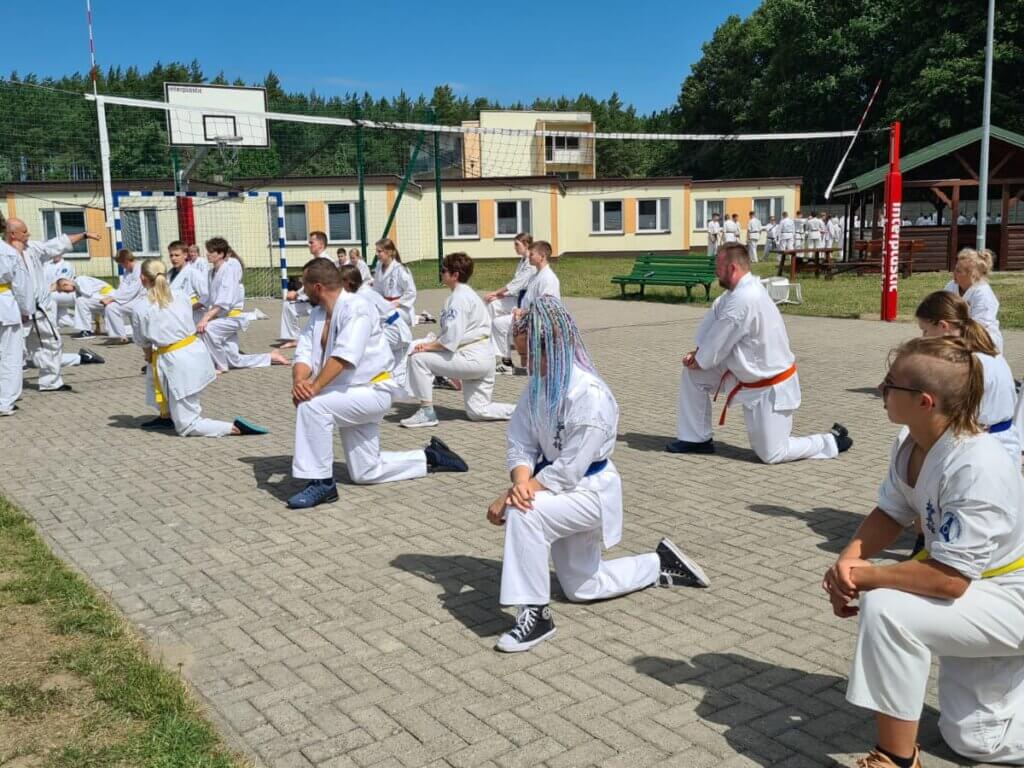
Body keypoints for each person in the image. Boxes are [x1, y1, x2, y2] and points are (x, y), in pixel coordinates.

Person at [825, 336, 1024, 768]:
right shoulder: (911, 441)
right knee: (971, 738)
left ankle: (895, 759)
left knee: (887, 608)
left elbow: (948, 581)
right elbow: (892, 511)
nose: (881, 390)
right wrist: (847, 559)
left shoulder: (977, 465)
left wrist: (862, 576)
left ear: (924, 401)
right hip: (978, 587)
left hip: (1010, 594)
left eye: (890, 384)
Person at [487, 296, 709, 653]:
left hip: (590, 492)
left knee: (524, 514)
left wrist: (515, 495)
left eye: (529, 355)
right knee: (582, 588)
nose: (524, 363)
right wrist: (519, 482)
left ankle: (535, 615)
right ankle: (659, 564)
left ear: (554, 347)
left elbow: (570, 469)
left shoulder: (589, 394)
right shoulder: (537, 388)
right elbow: (520, 441)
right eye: (520, 353)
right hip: (554, 488)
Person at [287, 258, 469, 509]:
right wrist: (300, 382)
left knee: (312, 407)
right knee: (365, 472)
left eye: (305, 285)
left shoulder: (357, 308)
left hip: (372, 391)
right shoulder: (318, 315)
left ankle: (322, 483)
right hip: (346, 394)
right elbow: (304, 352)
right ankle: (430, 457)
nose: (302, 291)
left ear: (317, 287)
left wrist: (313, 389)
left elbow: (344, 357)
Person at [666, 243, 851, 463]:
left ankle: (830, 441)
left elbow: (716, 344)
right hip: (743, 374)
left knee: (772, 454)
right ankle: (696, 439)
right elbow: (713, 325)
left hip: (770, 386)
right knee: (694, 374)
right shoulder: (733, 295)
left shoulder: (745, 298)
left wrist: (701, 358)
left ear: (732, 268)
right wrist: (698, 353)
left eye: (718, 266)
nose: (715, 271)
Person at [132, 258, 268, 438]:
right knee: (152, 373)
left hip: (176, 361)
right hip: (194, 351)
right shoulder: (181, 295)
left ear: (142, 278)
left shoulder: (141, 308)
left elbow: (143, 341)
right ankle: (166, 415)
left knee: (186, 426)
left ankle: (233, 428)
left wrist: (148, 354)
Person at [401, 252, 517, 428]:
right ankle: (524, 411)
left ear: (455, 275)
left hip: (471, 359)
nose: (441, 273)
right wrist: (431, 343)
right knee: (478, 411)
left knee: (418, 359)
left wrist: (426, 347)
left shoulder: (458, 299)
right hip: (483, 359)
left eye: (443, 270)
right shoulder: (467, 295)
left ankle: (427, 412)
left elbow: (450, 341)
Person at [915, 291, 1018, 461]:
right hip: (1000, 442)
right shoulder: (987, 350)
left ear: (943, 326)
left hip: (984, 449)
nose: (923, 338)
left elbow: (949, 413)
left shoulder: (966, 362)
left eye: (925, 331)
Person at [5, 217, 104, 393]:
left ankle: (51, 382)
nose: (28, 234)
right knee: (11, 352)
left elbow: (59, 243)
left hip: (40, 310)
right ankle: (7, 392)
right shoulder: (4, 253)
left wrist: (84, 235)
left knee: (51, 344)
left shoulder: (33, 248)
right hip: (14, 312)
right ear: (13, 234)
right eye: (24, 232)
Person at [197, 236, 289, 371]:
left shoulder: (228, 270)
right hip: (220, 317)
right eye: (208, 251)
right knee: (235, 360)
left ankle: (220, 365)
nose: (207, 254)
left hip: (232, 317)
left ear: (221, 254)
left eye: (211, 252)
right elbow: (209, 298)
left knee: (208, 329)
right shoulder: (211, 273)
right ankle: (270, 357)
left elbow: (224, 300)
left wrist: (205, 318)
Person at [485, 233, 536, 373]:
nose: (515, 247)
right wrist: (500, 296)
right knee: (492, 304)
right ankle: (491, 343)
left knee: (499, 323)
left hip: (525, 305)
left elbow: (517, 284)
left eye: (517, 245)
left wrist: (496, 293)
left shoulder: (530, 264)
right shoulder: (522, 261)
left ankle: (505, 359)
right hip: (519, 299)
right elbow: (516, 286)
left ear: (526, 244)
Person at [278, 232, 332, 349]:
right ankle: (295, 338)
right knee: (289, 305)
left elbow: (315, 284)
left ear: (321, 244)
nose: (309, 245)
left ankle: (296, 339)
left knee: (289, 305)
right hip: (316, 300)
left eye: (312, 242)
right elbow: (310, 283)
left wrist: (297, 294)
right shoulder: (318, 260)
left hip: (323, 302)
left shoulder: (324, 262)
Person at [943, 248, 1002, 353]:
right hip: (956, 336)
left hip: (982, 343)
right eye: (955, 269)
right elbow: (942, 307)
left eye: (959, 271)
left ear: (972, 275)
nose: (954, 273)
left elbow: (979, 326)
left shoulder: (983, 293)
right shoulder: (951, 286)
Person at [98, 249, 144, 343]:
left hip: (141, 300)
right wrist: (110, 298)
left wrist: (112, 298)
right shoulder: (128, 272)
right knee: (111, 307)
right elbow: (122, 289)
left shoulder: (140, 269)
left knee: (112, 305)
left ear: (126, 261)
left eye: (121, 264)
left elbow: (132, 291)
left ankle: (132, 335)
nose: (122, 266)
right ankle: (119, 336)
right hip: (132, 300)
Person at [0, 238, 23, 416]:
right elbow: (21, 285)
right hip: (5, 305)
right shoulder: (8, 251)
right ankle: (5, 402)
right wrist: (26, 309)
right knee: (10, 356)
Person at [372, 238, 416, 327]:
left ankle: (403, 334)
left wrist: (398, 303)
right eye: (376, 251)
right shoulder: (378, 267)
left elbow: (411, 291)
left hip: (401, 309)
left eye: (379, 251)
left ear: (389, 252)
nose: (376, 254)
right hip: (386, 306)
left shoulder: (400, 269)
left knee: (387, 319)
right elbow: (376, 290)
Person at [44, 251, 77, 328]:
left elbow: (62, 283)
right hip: (52, 292)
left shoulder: (66, 265)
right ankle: (78, 323)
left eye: (58, 252)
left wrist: (47, 291)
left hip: (67, 292)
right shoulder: (47, 265)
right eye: (54, 252)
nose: (56, 254)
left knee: (51, 297)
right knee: (62, 319)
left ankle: (52, 325)